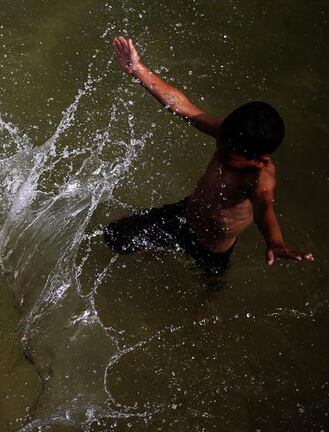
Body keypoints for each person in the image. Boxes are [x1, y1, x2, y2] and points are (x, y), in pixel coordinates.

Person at [103, 36, 314, 277]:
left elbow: (265, 209)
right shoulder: (228, 134)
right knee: (113, 237)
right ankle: (163, 248)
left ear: (260, 159)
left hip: (212, 248)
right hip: (185, 217)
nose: (221, 153)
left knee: (208, 286)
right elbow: (181, 106)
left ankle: (203, 302)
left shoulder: (259, 176)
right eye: (220, 145)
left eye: (228, 154)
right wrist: (137, 69)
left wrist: (275, 242)